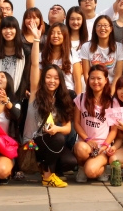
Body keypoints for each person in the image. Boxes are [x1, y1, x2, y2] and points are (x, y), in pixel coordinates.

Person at [26, 28, 77, 187]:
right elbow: (35, 64)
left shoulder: (62, 99)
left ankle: (45, 167)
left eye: (56, 78)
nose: (52, 81)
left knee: (70, 161)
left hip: (50, 139)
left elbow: (67, 128)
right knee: (58, 140)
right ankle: (48, 177)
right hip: (32, 143)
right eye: (48, 77)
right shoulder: (36, 93)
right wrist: (36, 40)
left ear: (61, 81)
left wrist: (56, 129)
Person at [73, 65, 117, 182]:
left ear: (106, 80)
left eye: (99, 78)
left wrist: (105, 146)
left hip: (102, 147)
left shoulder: (112, 102)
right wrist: (87, 139)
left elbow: (113, 130)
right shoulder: (81, 98)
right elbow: (76, 123)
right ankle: (81, 167)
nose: (95, 82)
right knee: (80, 149)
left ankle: (100, 167)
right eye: (92, 78)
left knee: (91, 172)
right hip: (86, 144)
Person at [0, 16, 31, 103]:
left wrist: (18, 98)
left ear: (17, 30)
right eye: (4, 28)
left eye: (11, 28)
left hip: (18, 97)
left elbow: (25, 76)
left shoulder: (25, 50)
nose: (8, 31)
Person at [80, 15, 123, 93]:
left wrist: (111, 94)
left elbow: (118, 75)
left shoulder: (120, 47)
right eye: (99, 25)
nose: (102, 28)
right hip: (93, 87)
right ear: (95, 29)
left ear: (111, 29)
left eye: (105, 25)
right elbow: (86, 74)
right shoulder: (86, 47)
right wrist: (93, 91)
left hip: (112, 87)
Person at [40, 23, 83, 96]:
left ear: (65, 36)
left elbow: (77, 81)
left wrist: (78, 100)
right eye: (52, 33)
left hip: (68, 94)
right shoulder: (42, 55)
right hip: (47, 95)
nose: (55, 36)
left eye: (59, 33)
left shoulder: (72, 54)